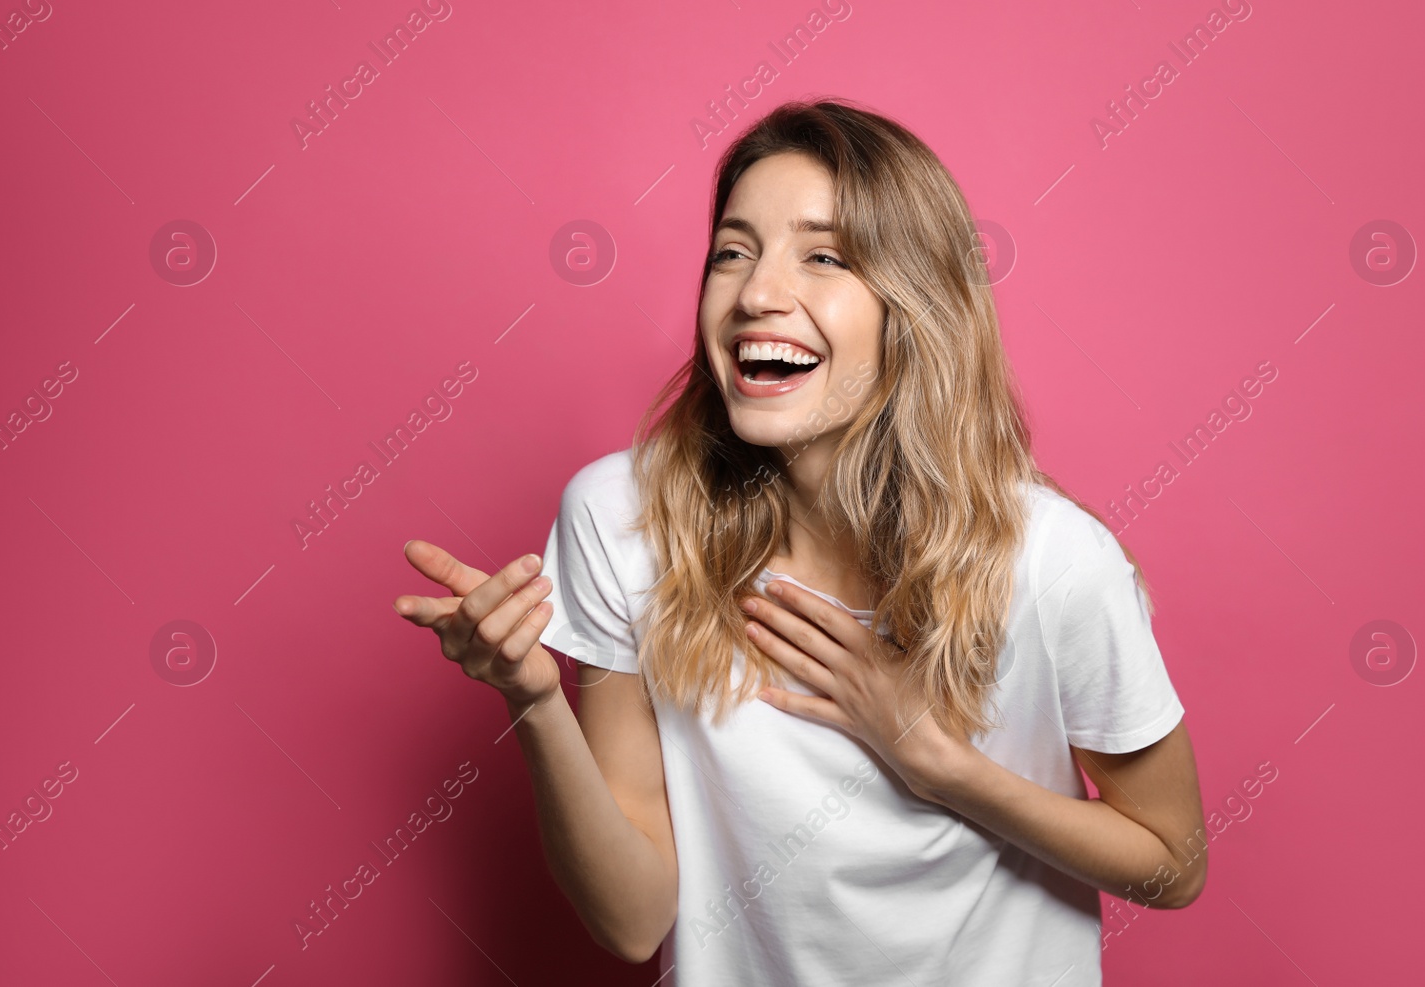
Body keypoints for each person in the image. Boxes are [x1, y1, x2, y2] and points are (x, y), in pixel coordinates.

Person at [393, 97, 1207, 985]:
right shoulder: (621, 519)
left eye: (823, 256)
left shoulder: (1053, 561)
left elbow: (1175, 864)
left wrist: (934, 759)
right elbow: (631, 922)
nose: (757, 294)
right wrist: (535, 700)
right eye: (732, 252)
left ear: (916, 305)